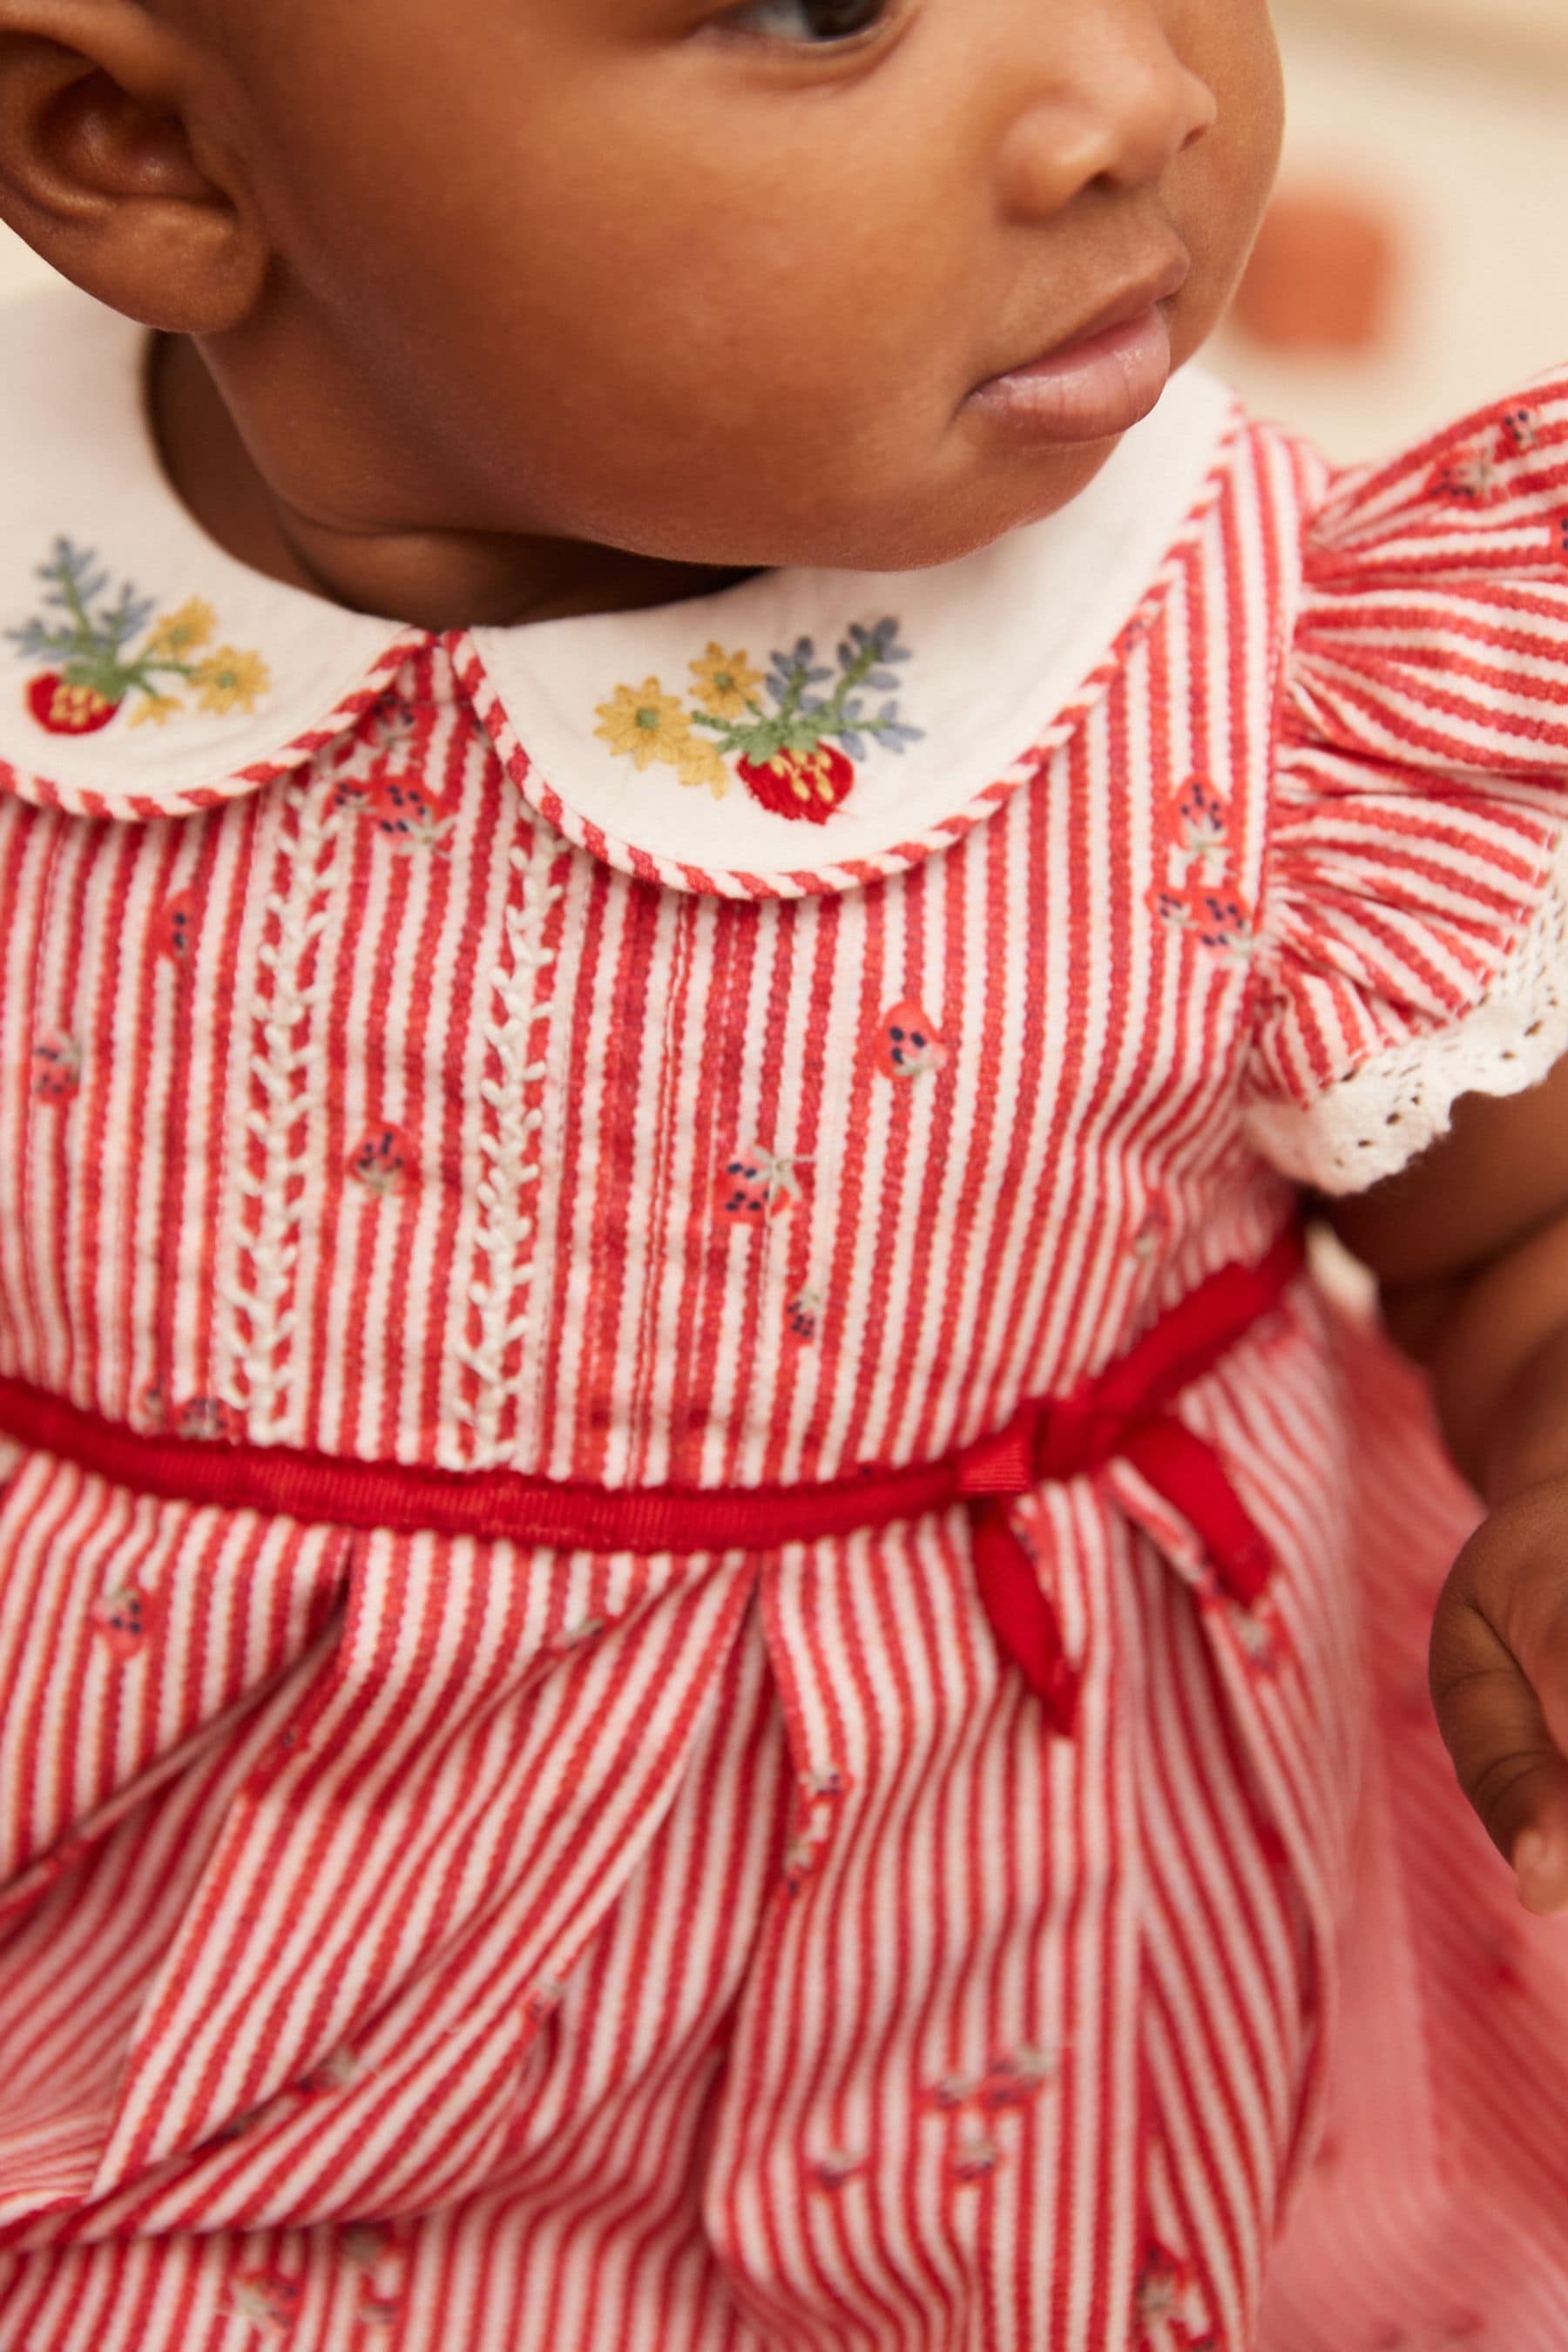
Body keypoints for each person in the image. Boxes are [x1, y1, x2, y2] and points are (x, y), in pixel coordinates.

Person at [0, 0, 1563, 2342]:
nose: (1135, 93)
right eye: (825, 5)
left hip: (973, 2041)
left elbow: (1520, 1227)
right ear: (147, 150)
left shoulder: (1266, 679)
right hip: (108, 2005)